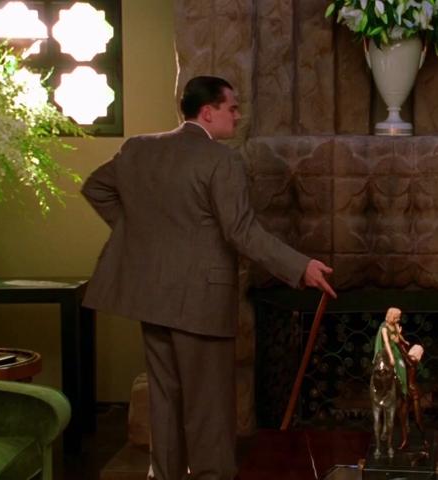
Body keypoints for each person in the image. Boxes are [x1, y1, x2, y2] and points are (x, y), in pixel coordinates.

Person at [81, 76, 336, 480]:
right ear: (207, 112)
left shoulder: (138, 148)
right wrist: (301, 266)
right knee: (209, 407)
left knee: (165, 400)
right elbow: (242, 231)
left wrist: (144, 235)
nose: (238, 115)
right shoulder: (222, 160)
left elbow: (96, 188)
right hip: (201, 297)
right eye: (231, 107)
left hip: (151, 294)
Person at [395, 343, 426, 450]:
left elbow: (407, 359)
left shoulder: (413, 362)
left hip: (414, 392)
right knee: (402, 415)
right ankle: (405, 440)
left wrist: (399, 345)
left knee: (418, 420)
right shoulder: (407, 360)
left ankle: (424, 439)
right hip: (407, 392)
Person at [374, 307, 407, 396]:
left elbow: (398, 337)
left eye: (398, 318)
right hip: (387, 351)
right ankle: (390, 391)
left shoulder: (395, 325)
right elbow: (386, 343)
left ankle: (403, 391)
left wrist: (404, 341)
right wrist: (391, 356)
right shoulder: (384, 328)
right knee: (390, 371)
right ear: (391, 316)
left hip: (395, 349)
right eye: (396, 318)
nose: (398, 320)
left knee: (402, 367)